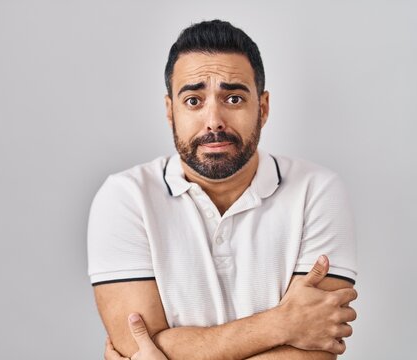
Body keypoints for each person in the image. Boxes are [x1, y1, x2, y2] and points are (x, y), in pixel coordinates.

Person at [88, 19, 358, 360]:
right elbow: (134, 346)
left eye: (232, 98)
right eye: (193, 101)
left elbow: (315, 350)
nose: (214, 120)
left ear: (263, 108)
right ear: (170, 111)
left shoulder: (317, 192)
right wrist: (282, 324)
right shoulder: (124, 198)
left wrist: (174, 351)